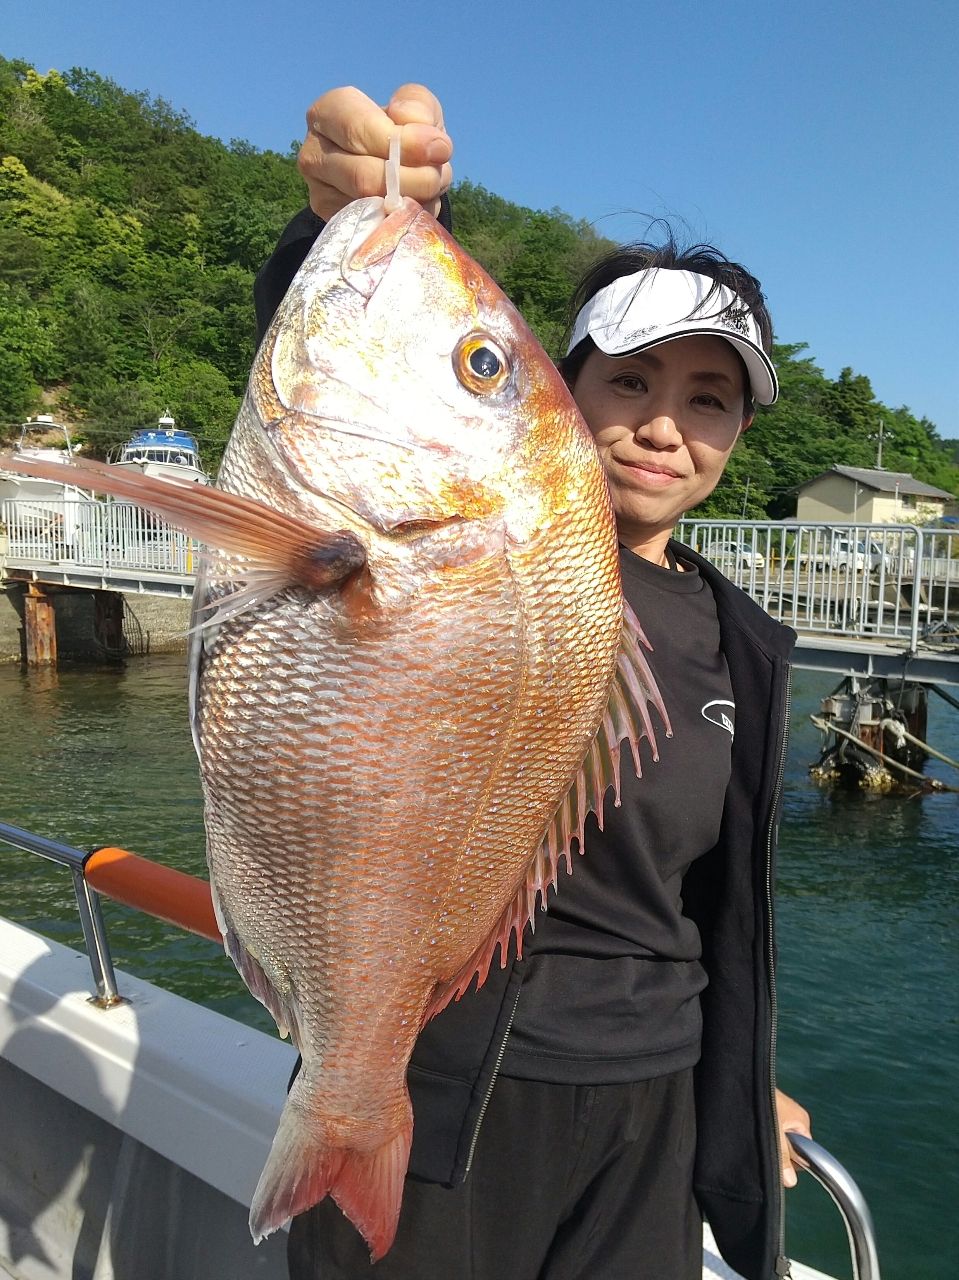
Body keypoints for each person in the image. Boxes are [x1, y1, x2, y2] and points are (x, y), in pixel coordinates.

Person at [254, 85, 812, 1280]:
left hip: (651, 1110)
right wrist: (346, 223)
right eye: (627, 382)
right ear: (560, 393)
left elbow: (710, 906)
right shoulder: (483, 553)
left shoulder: (739, 638)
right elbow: (350, 437)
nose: (662, 425)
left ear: (735, 437)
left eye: (706, 400)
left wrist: (740, 1079)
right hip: (449, 1075)